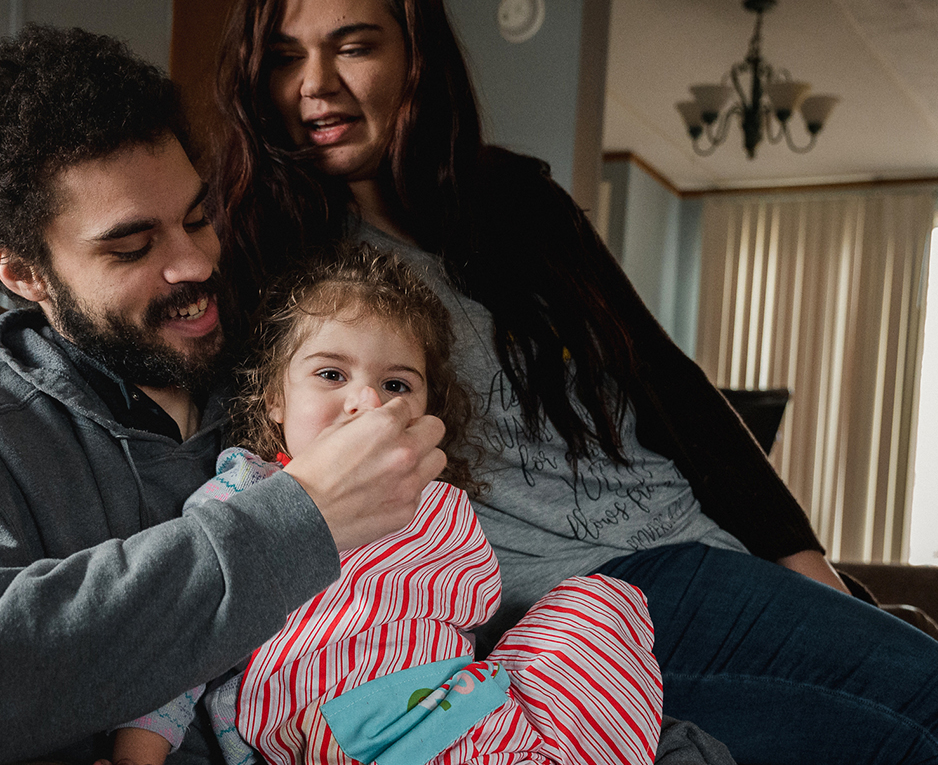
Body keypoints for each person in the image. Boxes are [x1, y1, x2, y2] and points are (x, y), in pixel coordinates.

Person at [0, 0, 938, 762]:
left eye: (354, 44)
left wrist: (805, 564)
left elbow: (668, 388)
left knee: (925, 709)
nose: (315, 83)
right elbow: (151, 328)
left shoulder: (514, 201)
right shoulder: (259, 238)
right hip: (565, 597)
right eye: (285, 54)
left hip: (685, 542)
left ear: (413, 51)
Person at [0, 25, 451, 765]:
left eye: (198, 218)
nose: (195, 263)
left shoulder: (278, 380)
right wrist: (293, 523)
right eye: (132, 247)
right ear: (26, 275)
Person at [107, 246, 662, 765]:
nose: (368, 403)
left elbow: (467, 624)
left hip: (474, 713)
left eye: (397, 385)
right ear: (275, 397)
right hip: (348, 729)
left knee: (602, 601)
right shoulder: (242, 495)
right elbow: (181, 637)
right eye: (331, 374)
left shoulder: (437, 503)